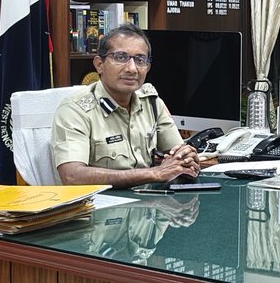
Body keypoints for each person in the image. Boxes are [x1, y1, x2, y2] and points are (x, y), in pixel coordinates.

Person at [51, 24, 199, 187]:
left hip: (146, 204)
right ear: (99, 64)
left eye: (140, 60)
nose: (132, 68)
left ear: (147, 68)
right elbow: (73, 176)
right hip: (97, 207)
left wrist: (187, 157)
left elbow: (179, 156)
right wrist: (154, 173)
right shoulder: (75, 110)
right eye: (120, 57)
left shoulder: (152, 102)